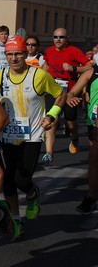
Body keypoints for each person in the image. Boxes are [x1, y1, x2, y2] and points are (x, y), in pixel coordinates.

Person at [0, 36, 65, 239]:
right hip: (6, 136)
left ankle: (32, 192)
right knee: (7, 182)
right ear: (5, 56)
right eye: (10, 54)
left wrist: (52, 115)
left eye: (18, 54)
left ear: (25, 54)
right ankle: (16, 219)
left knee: (21, 179)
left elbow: (60, 95)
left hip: (32, 135)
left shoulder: (38, 76)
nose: (14, 58)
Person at [43, 27, 93, 161]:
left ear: (67, 39)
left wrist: (74, 68)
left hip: (71, 91)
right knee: (52, 120)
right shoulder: (49, 51)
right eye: (55, 37)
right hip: (53, 91)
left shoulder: (74, 51)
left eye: (61, 37)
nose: (58, 40)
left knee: (70, 122)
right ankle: (49, 152)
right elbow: (46, 67)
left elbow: (90, 67)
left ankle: (74, 138)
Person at [67, 65, 98, 214]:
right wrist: (71, 97)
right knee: (94, 160)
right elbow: (72, 91)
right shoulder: (92, 72)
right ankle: (92, 197)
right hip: (94, 123)